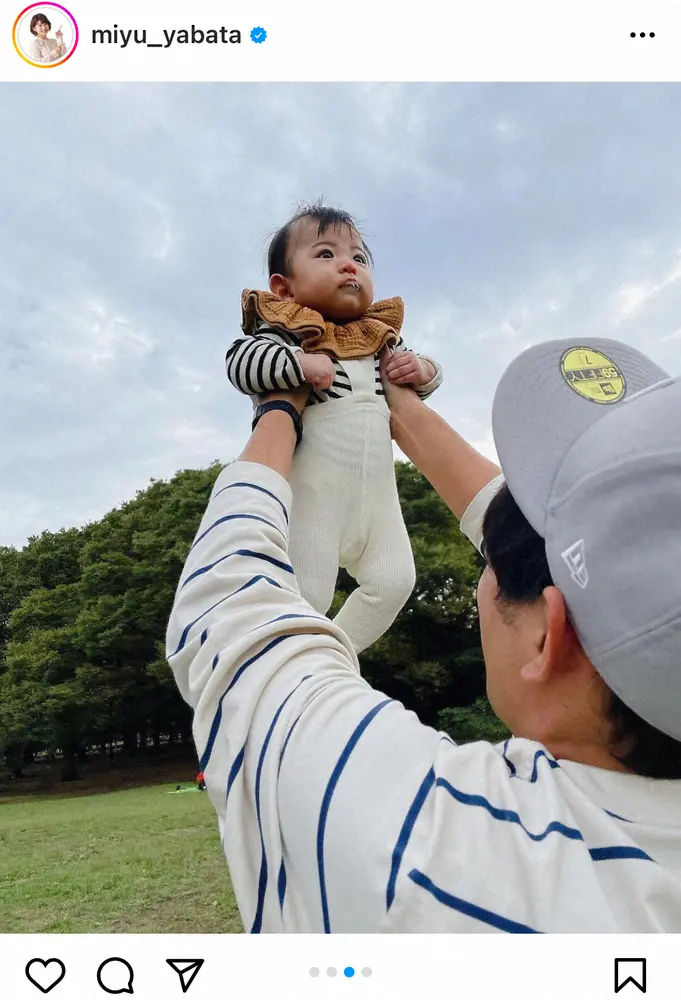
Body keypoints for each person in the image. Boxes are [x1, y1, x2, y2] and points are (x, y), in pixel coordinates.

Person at [167, 336, 681, 932]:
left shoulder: (429, 847)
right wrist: (402, 406)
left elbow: (226, 602)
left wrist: (278, 411)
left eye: (492, 563)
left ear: (548, 639)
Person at [224, 203, 443, 653]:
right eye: (325, 254)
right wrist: (297, 363)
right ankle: (283, 666)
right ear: (284, 287)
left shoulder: (379, 337)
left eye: (359, 258)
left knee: (394, 580)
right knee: (307, 594)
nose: (349, 264)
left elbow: (427, 382)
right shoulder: (287, 331)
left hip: (378, 497)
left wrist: (421, 369)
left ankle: (334, 660)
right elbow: (240, 362)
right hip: (313, 496)